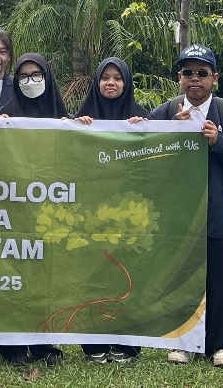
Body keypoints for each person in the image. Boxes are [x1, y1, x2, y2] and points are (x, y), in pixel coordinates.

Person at [154, 44, 223, 368]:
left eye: (201, 73)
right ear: (179, 78)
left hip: (220, 211)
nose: (194, 79)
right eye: (188, 73)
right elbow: (147, 160)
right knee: (183, 279)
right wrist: (172, 133)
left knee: (221, 280)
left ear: (215, 77)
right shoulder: (166, 113)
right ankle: (183, 343)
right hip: (180, 213)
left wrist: (218, 142)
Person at [0, 52, 67, 367]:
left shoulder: (62, 117)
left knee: (45, 278)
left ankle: (43, 342)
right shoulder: (5, 116)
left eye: (37, 75)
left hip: (49, 212)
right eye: (23, 76)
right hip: (13, 211)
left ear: (47, 78)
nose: (30, 81)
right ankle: (12, 345)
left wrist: (74, 132)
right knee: (12, 275)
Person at [73, 56, 148, 363]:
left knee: (128, 275)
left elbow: (156, 160)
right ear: (97, 82)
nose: (111, 83)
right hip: (92, 212)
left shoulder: (142, 118)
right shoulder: (83, 118)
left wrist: (148, 130)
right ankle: (93, 344)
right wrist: (74, 131)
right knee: (95, 276)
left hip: (131, 213)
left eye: (118, 78)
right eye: (106, 78)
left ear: (126, 82)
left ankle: (128, 344)